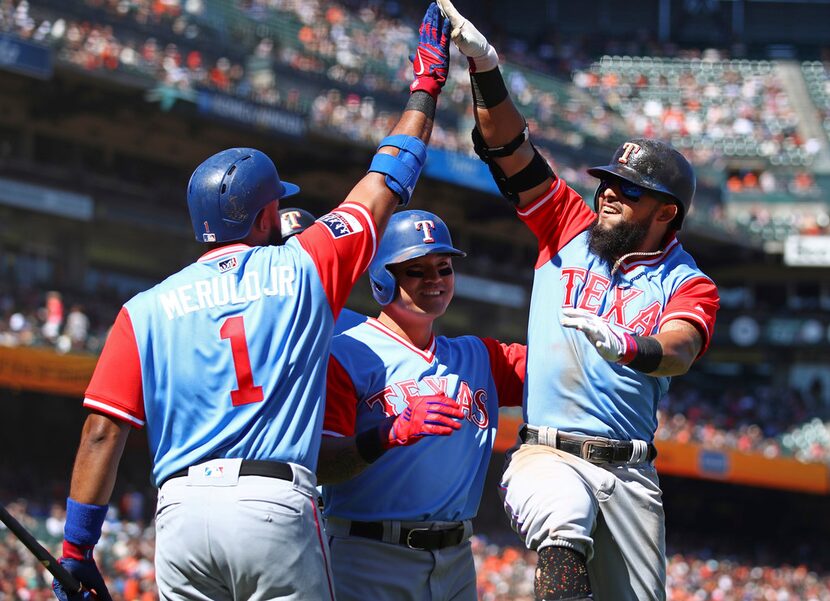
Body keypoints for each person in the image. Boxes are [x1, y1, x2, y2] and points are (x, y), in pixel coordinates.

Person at [51, 4, 453, 600]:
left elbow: (101, 435)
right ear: (270, 215)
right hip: (272, 502)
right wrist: (425, 85)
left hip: (181, 513)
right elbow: (391, 174)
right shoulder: (303, 265)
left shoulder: (144, 309)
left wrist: (76, 548)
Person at [435, 2, 720, 600]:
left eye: (632, 189)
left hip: (631, 470)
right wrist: (486, 68)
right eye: (610, 180)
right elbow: (509, 151)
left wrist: (631, 346)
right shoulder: (567, 225)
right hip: (547, 452)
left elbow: (681, 349)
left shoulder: (688, 280)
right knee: (561, 528)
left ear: (665, 212)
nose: (611, 191)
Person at [317, 209, 527, 601]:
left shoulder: (480, 356)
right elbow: (324, 465)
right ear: (382, 277)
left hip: (457, 560)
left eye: (444, 268)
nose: (435, 280)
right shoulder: (346, 354)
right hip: (369, 556)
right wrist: (387, 434)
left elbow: (561, 373)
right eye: (416, 269)